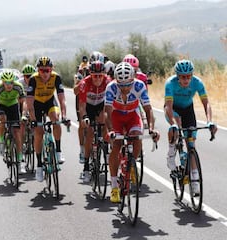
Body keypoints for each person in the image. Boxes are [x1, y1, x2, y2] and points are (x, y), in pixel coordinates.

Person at [105, 62, 159, 203]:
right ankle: (115, 186)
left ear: (133, 79)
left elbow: (148, 109)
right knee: (116, 146)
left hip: (132, 116)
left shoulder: (139, 85)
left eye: (127, 85)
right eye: (121, 85)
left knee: (137, 137)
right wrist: (110, 130)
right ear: (116, 81)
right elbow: (107, 113)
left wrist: (152, 128)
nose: (125, 88)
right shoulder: (111, 87)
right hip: (116, 116)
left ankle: (131, 164)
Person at [164, 59, 217, 193]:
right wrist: (173, 124)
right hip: (173, 109)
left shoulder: (197, 82)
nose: (186, 80)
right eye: (183, 77)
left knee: (191, 145)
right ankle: (171, 153)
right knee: (176, 127)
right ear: (178, 76)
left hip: (188, 110)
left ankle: (194, 178)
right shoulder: (170, 83)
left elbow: (206, 103)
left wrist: (209, 121)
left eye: (189, 76)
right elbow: (168, 106)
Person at [26, 56, 69, 182]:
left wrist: (64, 115)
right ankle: (39, 165)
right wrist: (33, 119)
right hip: (37, 105)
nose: (45, 73)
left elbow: (62, 99)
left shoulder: (56, 77)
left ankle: (58, 152)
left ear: (52, 69)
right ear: (38, 70)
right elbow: (29, 103)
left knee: (56, 119)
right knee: (39, 133)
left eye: (47, 70)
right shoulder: (33, 79)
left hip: (50, 102)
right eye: (42, 70)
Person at [78, 60, 111, 182]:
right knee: (90, 132)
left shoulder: (108, 82)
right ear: (90, 75)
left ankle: (106, 149)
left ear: (104, 75)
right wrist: (84, 117)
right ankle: (86, 166)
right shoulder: (84, 83)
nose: (97, 79)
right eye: (94, 76)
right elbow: (81, 105)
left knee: (105, 121)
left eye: (100, 76)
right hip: (89, 107)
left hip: (101, 105)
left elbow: (110, 104)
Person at [0, 70, 26, 173]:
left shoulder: (18, 87)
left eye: (11, 82)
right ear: (3, 82)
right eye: (6, 83)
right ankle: (2, 140)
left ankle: (20, 160)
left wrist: (24, 115)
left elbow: (23, 102)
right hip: (3, 106)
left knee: (17, 133)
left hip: (13, 105)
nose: (9, 85)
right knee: (2, 119)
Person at [19, 64, 36, 153]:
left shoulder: (37, 81)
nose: (29, 78)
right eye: (27, 76)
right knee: (22, 124)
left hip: (33, 103)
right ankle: (21, 146)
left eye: (31, 76)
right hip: (22, 104)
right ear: (23, 76)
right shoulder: (20, 83)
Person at [73, 71, 85, 163]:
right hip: (82, 101)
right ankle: (82, 150)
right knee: (82, 124)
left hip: (94, 102)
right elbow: (75, 92)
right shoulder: (80, 74)